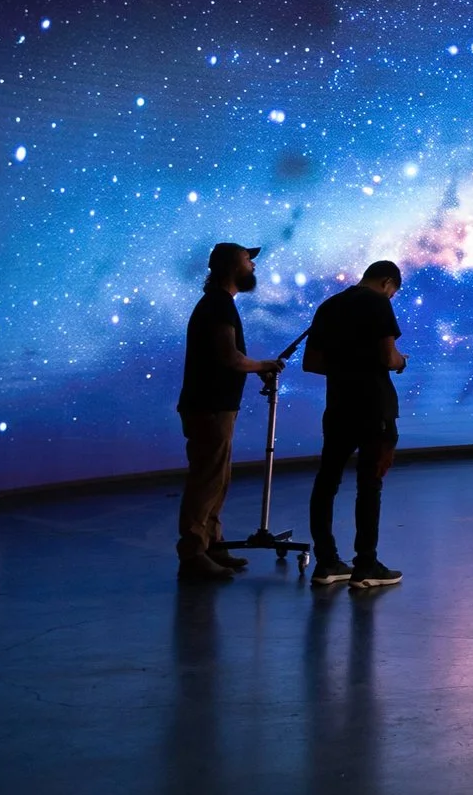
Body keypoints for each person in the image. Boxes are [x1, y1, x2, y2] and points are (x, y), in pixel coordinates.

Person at [175, 242, 284, 580]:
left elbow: (229, 358)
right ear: (232, 268)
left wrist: (258, 368)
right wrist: (263, 365)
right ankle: (194, 554)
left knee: (217, 477)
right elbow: (230, 357)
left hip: (215, 406)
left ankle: (212, 545)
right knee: (207, 479)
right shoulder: (219, 305)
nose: (253, 265)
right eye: (248, 260)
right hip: (210, 407)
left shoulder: (219, 303)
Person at [304, 259, 408, 589]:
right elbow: (388, 357)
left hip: (338, 406)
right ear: (387, 283)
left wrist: (344, 367)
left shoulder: (329, 306)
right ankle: (366, 565)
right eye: (393, 293)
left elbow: (311, 362)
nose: (390, 297)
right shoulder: (378, 303)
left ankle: (326, 563)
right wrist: (401, 361)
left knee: (327, 482)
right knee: (370, 485)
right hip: (374, 406)